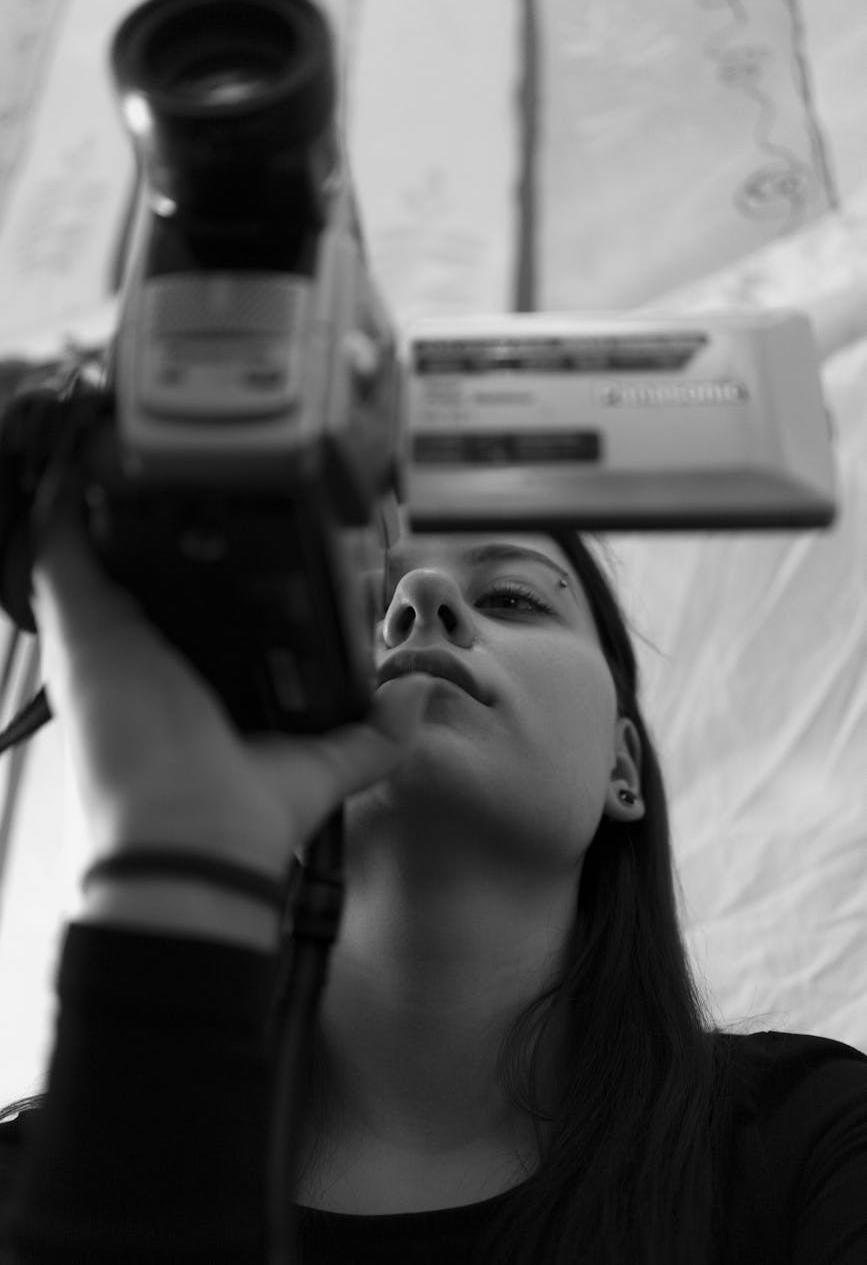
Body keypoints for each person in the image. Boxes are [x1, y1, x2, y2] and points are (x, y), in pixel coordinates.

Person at [0, 493, 865, 1264]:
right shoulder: (34, 1179)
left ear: (621, 765)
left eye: (512, 597)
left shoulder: (815, 1142)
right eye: (353, 603)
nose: (418, 598)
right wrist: (164, 853)